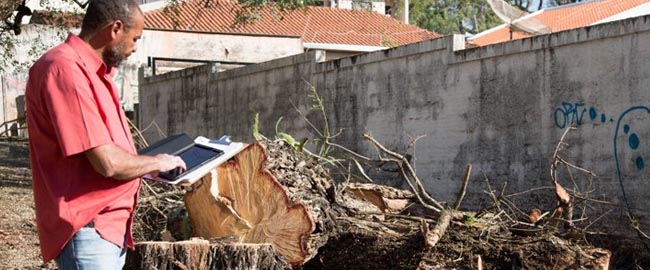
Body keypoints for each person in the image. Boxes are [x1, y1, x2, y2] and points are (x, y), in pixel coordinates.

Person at [25, 0, 186, 269]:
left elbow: (104, 152)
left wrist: (148, 169)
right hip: (90, 228)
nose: (135, 47)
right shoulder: (66, 70)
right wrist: (158, 162)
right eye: (135, 38)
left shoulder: (94, 73)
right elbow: (108, 163)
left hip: (105, 229)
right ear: (115, 28)